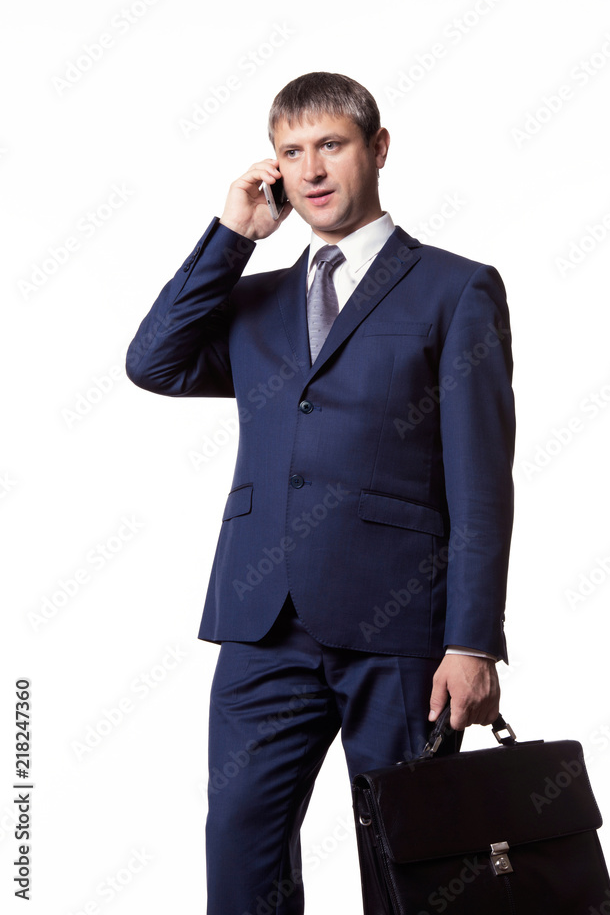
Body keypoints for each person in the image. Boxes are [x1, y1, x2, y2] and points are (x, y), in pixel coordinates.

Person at [125, 71, 515, 915]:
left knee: (412, 872)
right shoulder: (254, 301)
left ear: (377, 149)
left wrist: (472, 640)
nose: (310, 169)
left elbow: (482, 480)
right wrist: (232, 236)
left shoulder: (454, 289)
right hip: (261, 625)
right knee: (241, 861)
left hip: (403, 633)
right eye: (290, 152)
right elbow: (154, 362)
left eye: (330, 145)